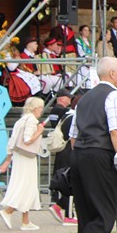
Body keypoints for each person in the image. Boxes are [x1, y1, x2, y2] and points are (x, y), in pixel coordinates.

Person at [63, 56, 117, 233]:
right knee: (105, 213)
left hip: (79, 154)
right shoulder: (114, 95)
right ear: (112, 73)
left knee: (86, 212)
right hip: (98, 154)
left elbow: (73, 135)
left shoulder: (83, 99)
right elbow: (116, 131)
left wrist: (80, 157)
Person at [0, 97, 45, 231]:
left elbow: (12, 142)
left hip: (19, 156)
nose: (41, 111)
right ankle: (8, 211)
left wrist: (8, 159)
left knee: (27, 185)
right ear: (35, 109)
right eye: (40, 108)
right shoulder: (31, 120)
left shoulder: (21, 120)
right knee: (26, 185)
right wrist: (39, 131)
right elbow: (27, 140)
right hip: (26, 157)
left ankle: (25, 220)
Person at [50, 93, 79, 225]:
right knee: (70, 183)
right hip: (68, 153)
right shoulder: (72, 117)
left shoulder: (67, 116)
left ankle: (60, 206)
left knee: (70, 183)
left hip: (64, 152)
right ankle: (68, 214)